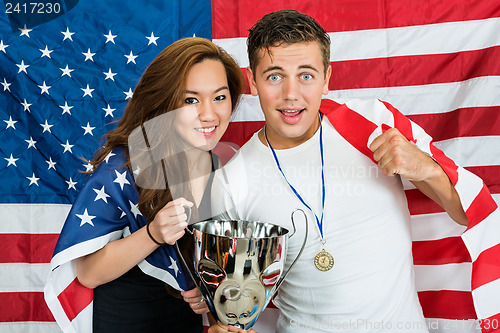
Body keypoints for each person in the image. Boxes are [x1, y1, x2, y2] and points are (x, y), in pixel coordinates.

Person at [211, 10, 497, 333]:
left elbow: (467, 212)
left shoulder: (374, 122)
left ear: (327, 78)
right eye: (274, 76)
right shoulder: (232, 183)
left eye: (306, 75)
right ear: (252, 81)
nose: (291, 94)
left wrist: (424, 167)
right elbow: (231, 302)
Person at [44, 37, 249, 333]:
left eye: (219, 97)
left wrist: (209, 295)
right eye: (190, 100)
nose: (208, 114)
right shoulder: (125, 166)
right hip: (125, 322)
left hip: (182, 322)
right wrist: (152, 234)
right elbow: (87, 274)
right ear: (164, 102)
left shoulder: (219, 165)